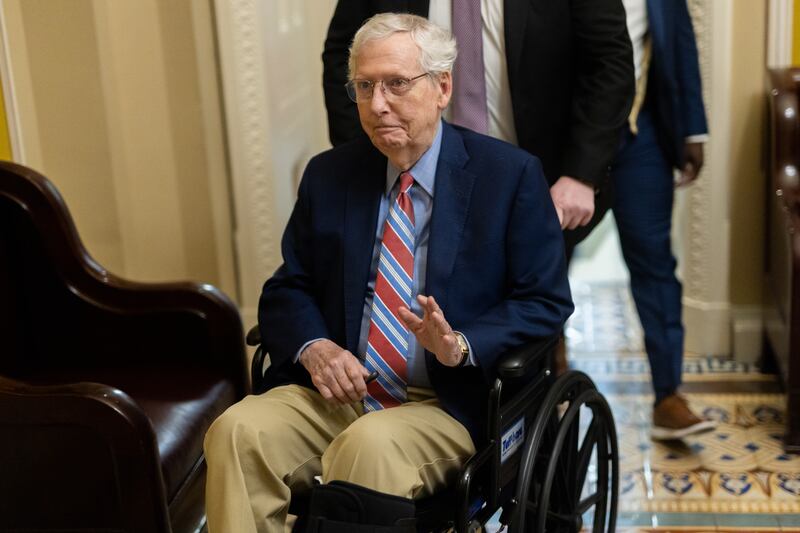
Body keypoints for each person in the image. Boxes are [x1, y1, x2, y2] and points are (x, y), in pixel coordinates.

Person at [203, 13, 573, 532]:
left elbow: (546, 302)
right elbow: (290, 286)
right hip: (337, 395)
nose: (377, 104)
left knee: (368, 446)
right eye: (365, 86)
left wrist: (460, 344)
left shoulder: (508, 176)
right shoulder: (330, 174)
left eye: (397, 84)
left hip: (444, 403)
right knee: (238, 431)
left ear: (442, 87)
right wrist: (316, 348)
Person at [322, 0, 635, 244]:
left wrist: (580, 174)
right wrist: (369, 161)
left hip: (542, 185)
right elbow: (344, 54)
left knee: (533, 311)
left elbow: (609, 64)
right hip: (413, 185)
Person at [612, 0, 715, 440]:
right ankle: (550, 363)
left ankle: (668, 394)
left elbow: (679, 41)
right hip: (570, 135)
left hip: (642, 136)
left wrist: (693, 130)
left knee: (654, 262)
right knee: (548, 255)